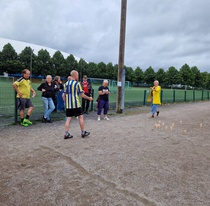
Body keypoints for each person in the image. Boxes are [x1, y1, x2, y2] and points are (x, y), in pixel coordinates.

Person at [62, 70, 93, 139]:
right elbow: (82, 95)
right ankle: (83, 132)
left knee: (69, 118)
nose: (78, 76)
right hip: (76, 104)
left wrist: (65, 102)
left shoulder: (66, 84)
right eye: (78, 75)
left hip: (68, 105)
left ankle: (66, 133)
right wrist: (89, 98)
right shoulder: (77, 84)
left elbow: (63, 95)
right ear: (75, 75)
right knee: (80, 117)